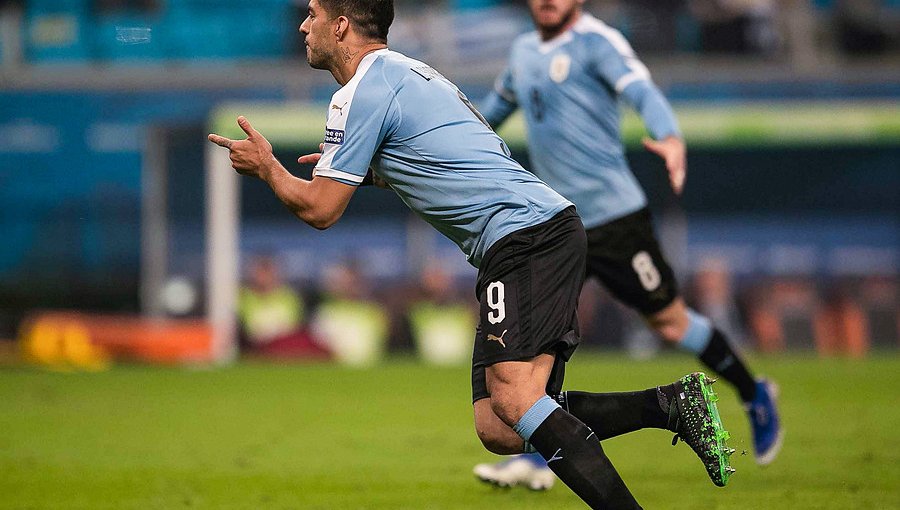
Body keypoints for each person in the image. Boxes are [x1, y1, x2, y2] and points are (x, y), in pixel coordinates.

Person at [208, 1, 733, 506]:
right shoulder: (412, 73)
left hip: (526, 236)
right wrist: (370, 171)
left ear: (342, 26)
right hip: (532, 233)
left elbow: (321, 210)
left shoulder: (361, 91)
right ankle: (669, 405)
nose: (303, 26)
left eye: (313, 14)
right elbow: (462, 155)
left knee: (513, 398)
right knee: (499, 426)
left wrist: (268, 168)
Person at [472, 0, 781, 490]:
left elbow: (642, 92)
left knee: (671, 322)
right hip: (554, 226)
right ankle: (540, 457)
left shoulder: (598, 42)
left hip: (616, 221)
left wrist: (670, 136)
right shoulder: (523, 51)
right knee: (537, 347)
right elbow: (488, 118)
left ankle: (754, 392)